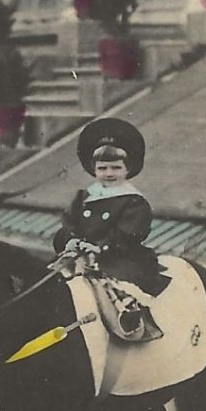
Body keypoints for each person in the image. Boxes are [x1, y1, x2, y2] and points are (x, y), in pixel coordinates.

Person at [52, 117, 169, 339]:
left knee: (118, 285)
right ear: (93, 169)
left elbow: (130, 234)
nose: (109, 173)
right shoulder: (86, 195)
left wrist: (99, 247)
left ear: (128, 169)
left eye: (116, 167)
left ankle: (129, 318)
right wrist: (71, 239)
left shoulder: (132, 200)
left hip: (118, 255)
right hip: (80, 254)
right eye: (102, 168)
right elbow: (69, 221)